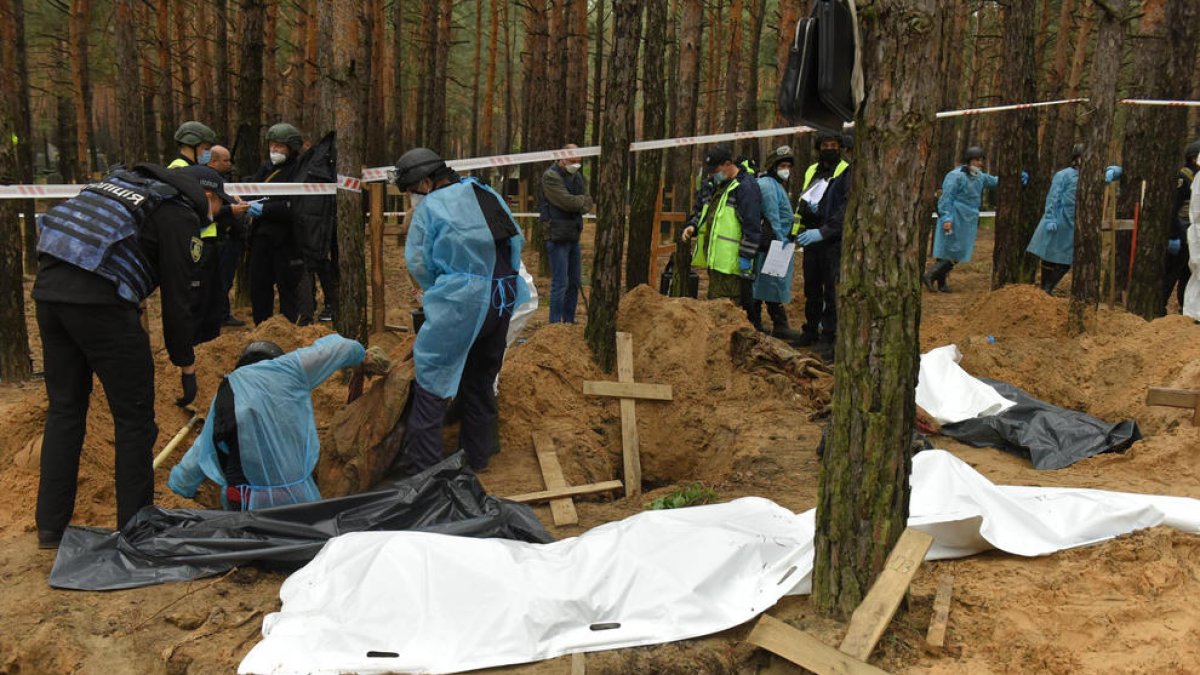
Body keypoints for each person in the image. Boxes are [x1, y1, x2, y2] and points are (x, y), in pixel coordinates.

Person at [32, 163, 214, 548]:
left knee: (65, 411)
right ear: (206, 196)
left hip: (49, 291)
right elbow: (180, 301)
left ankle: (50, 527)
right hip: (100, 306)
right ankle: (135, 528)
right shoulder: (179, 214)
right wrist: (186, 365)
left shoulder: (124, 187)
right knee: (134, 420)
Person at [390, 147, 530, 473]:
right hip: (503, 295)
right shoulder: (485, 190)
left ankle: (423, 473)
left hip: (461, 301)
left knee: (431, 381)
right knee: (481, 378)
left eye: (412, 191)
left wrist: (437, 289)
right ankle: (477, 459)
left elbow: (419, 263)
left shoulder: (431, 208)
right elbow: (515, 240)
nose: (413, 198)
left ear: (426, 182)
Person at [167, 337, 390, 510]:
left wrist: (175, 490)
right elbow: (342, 347)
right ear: (275, 360)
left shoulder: (227, 393)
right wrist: (362, 356)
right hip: (300, 503)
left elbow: (197, 458)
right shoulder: (289, 369)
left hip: (245, 506)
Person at [681, 144, 762, 305]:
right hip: (716, 262)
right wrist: (693, 226)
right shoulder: (715, 186)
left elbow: (752, 226)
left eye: (716, 171)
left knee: (727, 312)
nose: (713, 175)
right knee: (716, 307)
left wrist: (746, 256)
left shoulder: (745, 187)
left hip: (732, 266)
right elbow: (704, 212)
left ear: (727, 164)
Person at [794, 131, 850, 349]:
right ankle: (810, 330)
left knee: (832, 291)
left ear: (840, 146)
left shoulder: (846, 171)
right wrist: (795, 232)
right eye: (825, 144)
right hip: (811, 239)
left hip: (833, 241)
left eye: (833, 144)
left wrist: (825, 231)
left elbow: (845, 209)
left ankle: (829, 336)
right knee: (812, 289)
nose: (829, 148)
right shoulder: (812, 170)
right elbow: (803, 200)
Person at [247, 122, 306, 324]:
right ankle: (261, 327)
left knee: (288, 288)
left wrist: (266, 209)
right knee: (259, 286)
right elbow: (252, 191)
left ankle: (289, 329)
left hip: (288, 240)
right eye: (272, 145)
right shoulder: (266, 168)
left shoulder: (300, 170)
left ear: (292, 148)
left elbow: (297, 205)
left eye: (279, 146)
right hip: (261, 237)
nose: (274, 150)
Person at [175, 165, 237, 344]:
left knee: (210, 306)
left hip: (206, 251)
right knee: (198, 310)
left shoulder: (184, 213)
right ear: (208, 197)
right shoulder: (181, 222)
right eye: (221, 202)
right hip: (197, 258)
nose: (221, 208)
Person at [925, 145, 999, 292]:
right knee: (951, 250)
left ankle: (941, 284)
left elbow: (994, 181)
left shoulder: (980, 176)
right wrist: (946, 218)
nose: (979, 163)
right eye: (976, 160)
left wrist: (1017, 176)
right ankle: (930, 275)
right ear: (968, 160)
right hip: (955, 216)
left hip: (968, 219)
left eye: (980, 160)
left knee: (956, 250)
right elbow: (946, 198)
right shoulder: (955, 176)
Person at [750, 145, 800, 340]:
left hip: (778, 242)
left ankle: (776, 323)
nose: (786, 169)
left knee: (770, 282)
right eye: (782, 165)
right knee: (767, 281)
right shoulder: (769, 185)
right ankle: (757, 322)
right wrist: (780, 242)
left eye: (788, 165)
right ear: (773, 166)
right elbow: (772, 217)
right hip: (772, 243)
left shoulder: (775, 185)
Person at [539, 144, 593, 324]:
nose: (576, 164)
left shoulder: (577, 177)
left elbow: (587, 202)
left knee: (575, 281)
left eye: (578, 161)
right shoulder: (551, 176)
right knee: (560, 283)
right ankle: (554, 323)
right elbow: (567, 202)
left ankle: (569, 320)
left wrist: (579, 202)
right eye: (572, 160)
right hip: (556, 235)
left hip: (573, 235)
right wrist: (579, 202)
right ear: (562, 158)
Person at [1027, 145, 1082, 294]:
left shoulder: (1090, 177)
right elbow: (1053, 196)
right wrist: (1050, 218)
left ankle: (1047, 289)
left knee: (1065, 259)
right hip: (1058, 221)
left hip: (1072, 224)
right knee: (1050, 255)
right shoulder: (1063, 175)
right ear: (1076, 159)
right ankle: (1045, 289)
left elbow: (1112, 173)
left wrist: (1111, 172)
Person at [207, 145, 250, 327]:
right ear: (214, 160)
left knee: (224, 279)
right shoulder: (208, 181)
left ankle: (222, 312)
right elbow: (211, 209)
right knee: (220, 280)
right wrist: (231, 209)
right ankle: (220, 315)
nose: (229, 164)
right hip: (219, 237)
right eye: (225, 160)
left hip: (229, 237)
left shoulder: (222, 179)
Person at [1162, 140, 1200, 315]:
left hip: (1193, 235)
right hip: (1182, 232)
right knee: (1172, 274)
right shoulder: (1183, 178)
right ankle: (1158, 307)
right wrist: (1173, 234)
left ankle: (1186, 309)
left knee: (1188, 274)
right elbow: (1172, 208)